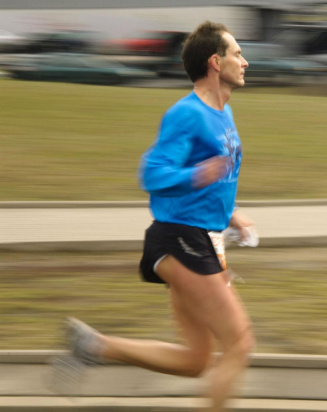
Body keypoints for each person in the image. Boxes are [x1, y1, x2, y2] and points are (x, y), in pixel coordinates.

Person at [57, 21, 255, 412]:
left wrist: (231, 215)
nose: (245, 61)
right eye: (236, 53)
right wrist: (196, 174)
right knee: (240, 342)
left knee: (197, 360)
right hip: (181, 238)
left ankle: (94, 345)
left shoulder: (223, 114)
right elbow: (151, 173)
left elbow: (215, 180)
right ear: (215, 62)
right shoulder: (187, 114)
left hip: (200, 238)